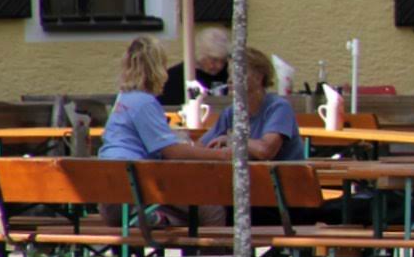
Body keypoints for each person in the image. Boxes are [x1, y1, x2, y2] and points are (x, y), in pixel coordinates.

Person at [98, 35, 228, 227]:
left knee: (183, 216)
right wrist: (220, 155)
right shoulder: (145, 102)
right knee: (211, 208)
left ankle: (159, 220)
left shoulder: (123, 99)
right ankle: (214, 256)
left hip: (111, 195)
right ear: (157, 68)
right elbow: (172, 151)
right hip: (134, 192)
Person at [200, 47, 302, 160]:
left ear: (258, 77)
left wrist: (231, 139)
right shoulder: (231, 112)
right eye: (229, 74)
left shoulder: (278, 107)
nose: (229, 80)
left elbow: (265, 151)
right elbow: (200, 147)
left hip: (281, 176)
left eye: (237, 73)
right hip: (249, 176)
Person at [161, 26, 230, 106]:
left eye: (223, 61)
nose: (219, 66)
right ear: (200, 55)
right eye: (214, 60)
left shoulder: (228, 74)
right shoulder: (175, 77)